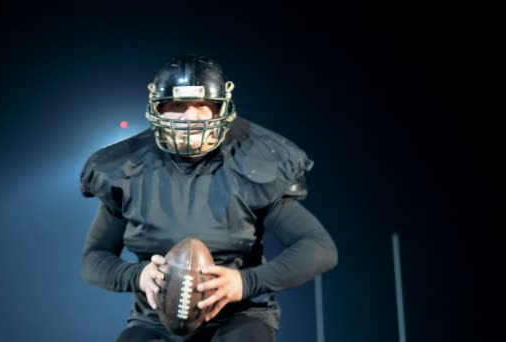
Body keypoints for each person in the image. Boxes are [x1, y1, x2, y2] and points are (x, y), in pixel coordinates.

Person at [79, 54, 338, 341]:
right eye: (177, 105)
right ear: (157, 109)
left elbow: (319, 248)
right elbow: (95, 258)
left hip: (238, 316)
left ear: (221, 110)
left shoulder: (251, 161)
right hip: (156, 319)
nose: (191, 117)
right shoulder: (128, 170)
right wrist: (137, 276)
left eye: (203, 105)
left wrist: (245, 281)